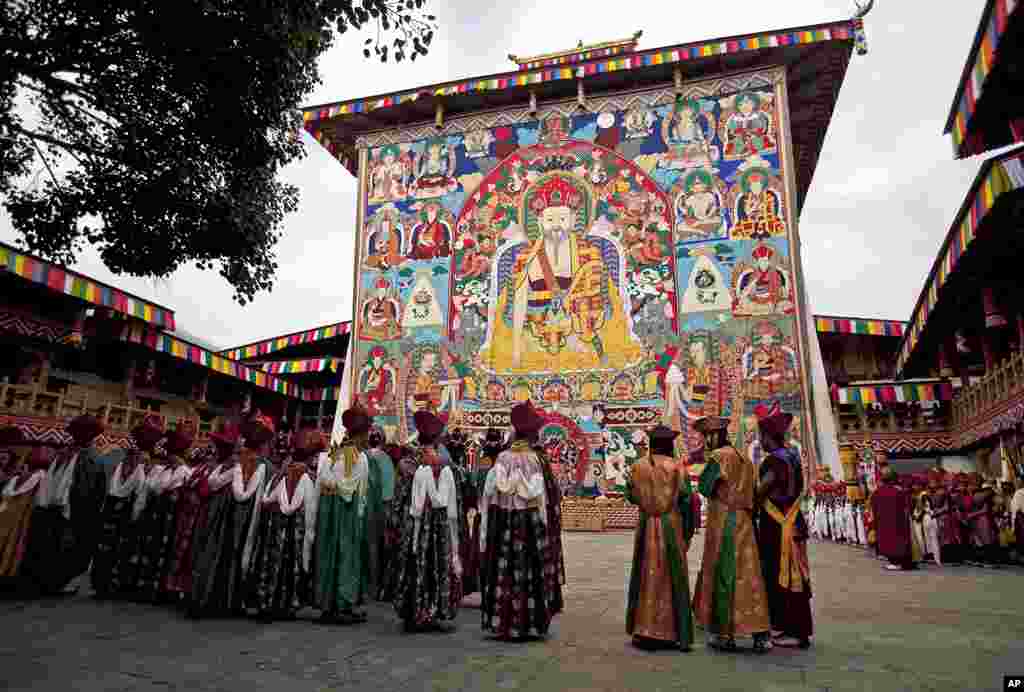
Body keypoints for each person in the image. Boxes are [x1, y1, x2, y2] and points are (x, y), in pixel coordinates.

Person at [479, 401, 561, 640]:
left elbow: (491, 494)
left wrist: (486, 528)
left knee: (504, 568)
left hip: (504, 521)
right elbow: (539, 495)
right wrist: (545, 526)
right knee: (528, 569)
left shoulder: (502, 458)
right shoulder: (534, 460)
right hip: (528, 523)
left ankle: (503, 620)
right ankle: (527, 621)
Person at [690, 415, 771, 653]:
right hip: (744, 520)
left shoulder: (718, 457)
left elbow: (705, 486)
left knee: (725, 573)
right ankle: (760, 632)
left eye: (706, 437)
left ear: (713, 436)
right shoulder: (744, 457)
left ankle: (725, 634)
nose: (705, 442)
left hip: (725, 521)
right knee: (750, 574)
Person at [188, 413, 273, 618]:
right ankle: (233, 600)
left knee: (216, 552)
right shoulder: (266, 467)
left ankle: (206, 597)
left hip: (221, 516)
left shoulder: (231, 462)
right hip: (248, 520)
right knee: (239, 553)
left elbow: (211, 484)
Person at [19, 414, 108, 596]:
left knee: (65, 547)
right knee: (53, 546)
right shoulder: (72, 455)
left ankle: (56, 582)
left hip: (74, 511)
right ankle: (46, 581)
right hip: (58, 508)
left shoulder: (91, 459)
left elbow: (93, 492)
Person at [624, 425, 696, 651]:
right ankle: (673, 633)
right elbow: (686, 500)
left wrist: (647, 501)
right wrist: (687, 531)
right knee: (672, 575)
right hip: (670, 525)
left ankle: (643, 630)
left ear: (651, 444)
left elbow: (630, 495)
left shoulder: (637, 467)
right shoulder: (677, 468)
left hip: (647, 525)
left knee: (645, 574)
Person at [393, 410, 462, 633]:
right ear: (436, 439)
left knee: (413, 562)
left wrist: (396, 520)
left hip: (412, 523)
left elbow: (399, 496)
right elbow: (453, 500)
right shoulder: (444, 466)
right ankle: (431, 610)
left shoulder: (407, 463)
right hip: (437, 524)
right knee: (434, 563)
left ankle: (414, 611)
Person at [753, 403, 812, 649]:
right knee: (794, 574)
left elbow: (761, 490)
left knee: (782, 576)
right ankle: (792, 628)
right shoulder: (793, 456)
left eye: (762, 438)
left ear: (769, 438)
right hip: (793, 521)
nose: (761, 442)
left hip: (777, 526)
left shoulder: (773, 462)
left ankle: (792, 630)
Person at [249, 428, 320, 622]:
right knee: (288, 566)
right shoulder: (306, 477)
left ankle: (266, 601)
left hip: (273, 527)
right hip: (293, 532)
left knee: (270, 561)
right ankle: (284, 603)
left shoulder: (279, 475)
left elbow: (266, 500)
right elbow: (310, 512)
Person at [90, 416, 161, 599]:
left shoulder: (124, 463)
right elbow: (143, 492)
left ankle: (105, 583)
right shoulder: (146, 465)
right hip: (130, 511)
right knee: (124, 548)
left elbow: (115, 488)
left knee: (111, 547)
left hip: (114, 508)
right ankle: (119, 583)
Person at [166, 425, 237, 600]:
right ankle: (177, 587)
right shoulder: (203, 469)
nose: (210, 453)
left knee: (196, 553)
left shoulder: (222, 469)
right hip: (190, 514)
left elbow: (205, 490)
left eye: (215, 449)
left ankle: (192, 590)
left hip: (205, 514)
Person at [315, 405, 371, 625]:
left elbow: (324, 477)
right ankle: (342, 604)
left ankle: (330, 603)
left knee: (330, 552)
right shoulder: (353, 454)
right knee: (345, 554)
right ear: (360, 434)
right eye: (366, 433)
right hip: (345, 511)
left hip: (330, 508)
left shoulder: (336, 450)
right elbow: (348, 488)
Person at [135, 422, 195, 603]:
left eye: (172, 454)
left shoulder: (184, 472)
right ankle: (146, 586)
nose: (168, 457)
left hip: (172, 519)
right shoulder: (163, 470)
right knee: (152, 550)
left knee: (167, 553)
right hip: (158, 516)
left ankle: (163, 589)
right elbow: (153, 487)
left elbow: (168, 491)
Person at [0, 444, 49, 581]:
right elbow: (42, 501)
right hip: (23, 518)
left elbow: (6, 495)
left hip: (7, 515)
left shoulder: (16, 478)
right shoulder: (41, 477)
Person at [363, 425, 395, 603]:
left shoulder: (363, 456)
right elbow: (388, 492)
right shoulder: (385, 459)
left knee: (370, 548)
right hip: (379, 509)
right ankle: (374, 587)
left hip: (367, 508)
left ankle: (370, 587)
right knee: (376, 549)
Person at [871, 469, 915, 571]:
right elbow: (908, 505)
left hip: (883, 522)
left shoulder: (877, 492)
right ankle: (902, 562)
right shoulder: (899, 491)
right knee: (899, 541)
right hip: (898, 521)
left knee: (888, 541)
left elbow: (874, 507)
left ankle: (894, 562)